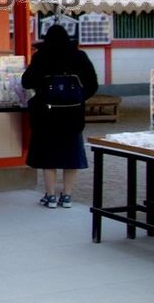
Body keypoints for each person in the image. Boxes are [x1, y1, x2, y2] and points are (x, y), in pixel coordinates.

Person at [22, 24, 98, 209]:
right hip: (72, 115)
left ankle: (50, 196)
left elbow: (26, 82)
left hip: (46, 116)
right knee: (70, 155)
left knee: (49, 156)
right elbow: (93, 84)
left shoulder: (41, 57)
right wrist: (78, 98)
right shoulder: (79, 56)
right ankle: (67, 195)